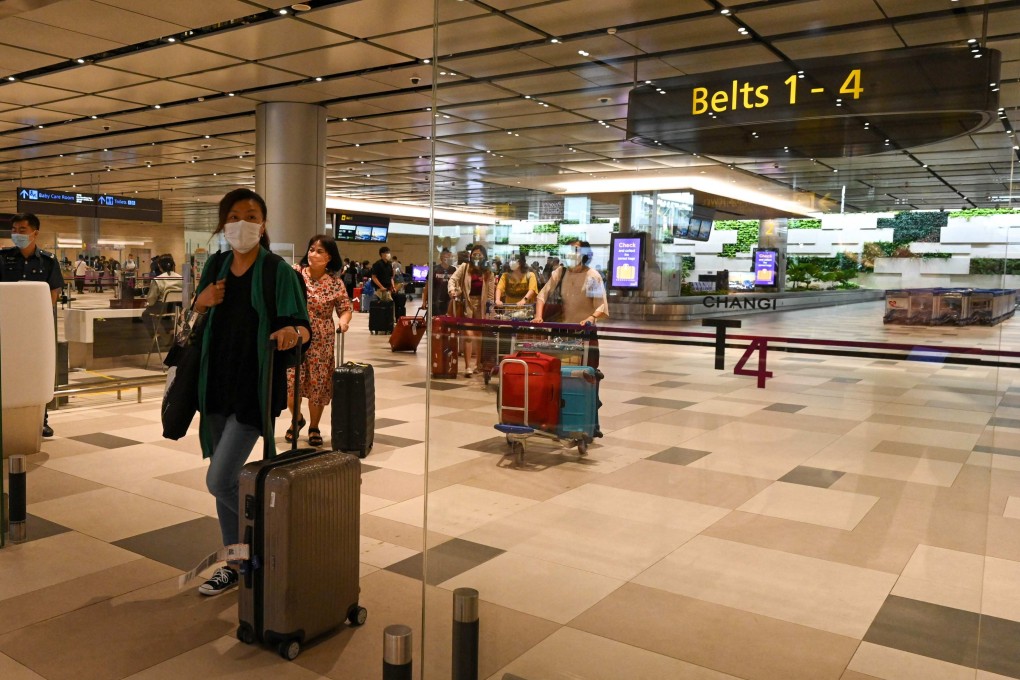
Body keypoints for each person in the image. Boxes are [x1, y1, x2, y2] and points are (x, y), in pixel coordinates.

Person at [191, 188, 310, 597]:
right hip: (216, 387)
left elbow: (303, 328)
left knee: (220, 479)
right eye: (235, 215)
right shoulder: (216, 265)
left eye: (252, 215)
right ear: (224, 224)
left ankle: (251, 550)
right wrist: (202, 300)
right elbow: (197, 315)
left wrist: (291, 331)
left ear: (264, 223)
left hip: (253, 389)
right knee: (227, 479)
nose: (243, 223)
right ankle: (239, 562)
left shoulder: (279, 271)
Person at [0, 212, 65, 437]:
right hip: (7, 327)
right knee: (10, 370)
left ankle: (41, 420)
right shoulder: (3, 257)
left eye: (22, 230)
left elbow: (54, 291)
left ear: (35, 233)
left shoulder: (48, 260)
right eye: (14, 230)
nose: (17, 234)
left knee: (38, 370)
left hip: (37, 329)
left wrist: (39, 316)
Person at [286, 234, 352, 448]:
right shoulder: (295, 274)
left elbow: (345, 307)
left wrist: (343, 321)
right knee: (290, 384)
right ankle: (297, 419)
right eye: (311, 249)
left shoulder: (335, 283)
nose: (313, 254)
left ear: (329, 257)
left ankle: (314, 426)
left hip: (322, 338)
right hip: (295, 335)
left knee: (318, 384)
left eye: (319, 251)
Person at [447, 244, 495, 377]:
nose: (477, 257)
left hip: (481, 305)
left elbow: (490, 295)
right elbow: (453, 279)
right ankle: (467, 366)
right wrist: (452, 290)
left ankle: (478, 364)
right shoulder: (465, 267)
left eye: (479, 255)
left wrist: (490, 311)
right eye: (474, 254)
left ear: (484, 256)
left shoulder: (488, 272)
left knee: (479, 336)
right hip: (467, 303)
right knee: (468, 334)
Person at [534, 240, 608, 326]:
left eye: (576, 250)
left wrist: (591, 318)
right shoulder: (561, 272)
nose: (572, 253)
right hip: (562, 327)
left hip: (584, 328)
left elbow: (600, 305)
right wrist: (538, 316)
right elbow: (542, 295)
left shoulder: (593, 276)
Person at [423, 248, 456, 315]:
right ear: (441, 258)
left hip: (449, 301)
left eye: (449, 257)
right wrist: (424, 301)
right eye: (446, 257)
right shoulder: (434, 269)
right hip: (435, 301)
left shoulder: (453, 270)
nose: (447, 259)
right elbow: (427, 286)